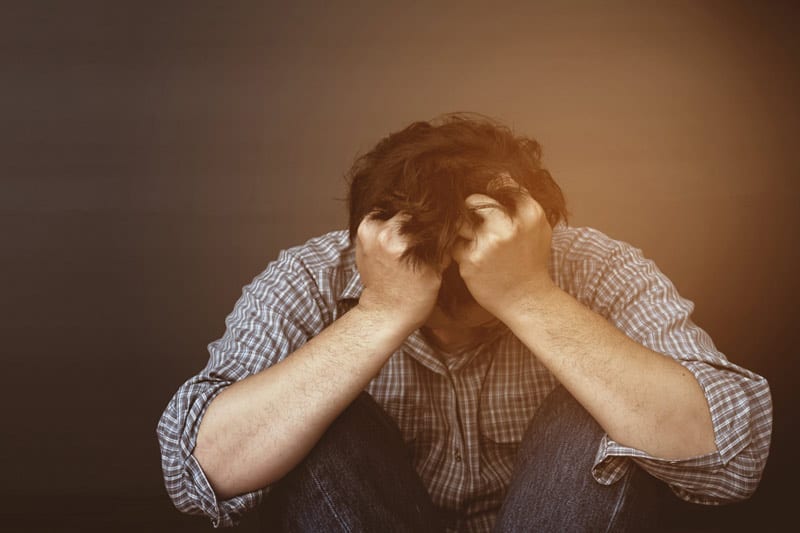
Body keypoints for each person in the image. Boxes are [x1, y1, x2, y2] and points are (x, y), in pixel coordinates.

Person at [157, 114, 772, 532]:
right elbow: (195, 474)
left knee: (606, 401)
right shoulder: (311, 276)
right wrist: (382, 313)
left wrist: (528, 296)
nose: (455, 328)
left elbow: (734, 459)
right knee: (305, 408)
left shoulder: (596, 266)